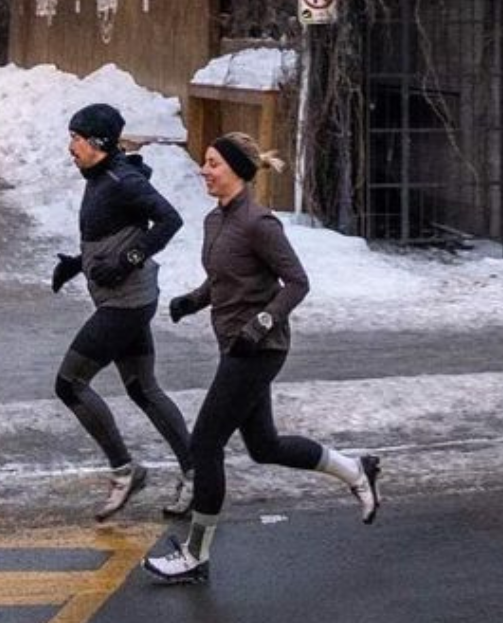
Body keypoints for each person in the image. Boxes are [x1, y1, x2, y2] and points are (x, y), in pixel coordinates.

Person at [144, 132, 382, 585]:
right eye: (205, 162)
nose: (204, 170)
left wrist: (263, 324)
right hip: (234, 345)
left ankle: (195, 555)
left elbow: (296, 282)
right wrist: (192, 302)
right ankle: (355, 469)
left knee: (205, 443)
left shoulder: (260, 222)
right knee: (264, 446)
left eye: (212, 163)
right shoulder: (217, 222)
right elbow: (223, 279)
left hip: (259, 350)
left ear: (235, 170)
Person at [51, 102, 195, 521]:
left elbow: (170, 220)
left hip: (125, 302)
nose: (70, 147)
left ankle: (123, 470)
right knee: (142, 388)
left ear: (97, 142)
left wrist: (130, 258)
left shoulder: (121, 179)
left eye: (76, 139)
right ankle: (195, 471)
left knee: (70, 383)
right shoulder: (99, 176)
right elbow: (111, 233)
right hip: (123, 297)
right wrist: (77, 264)